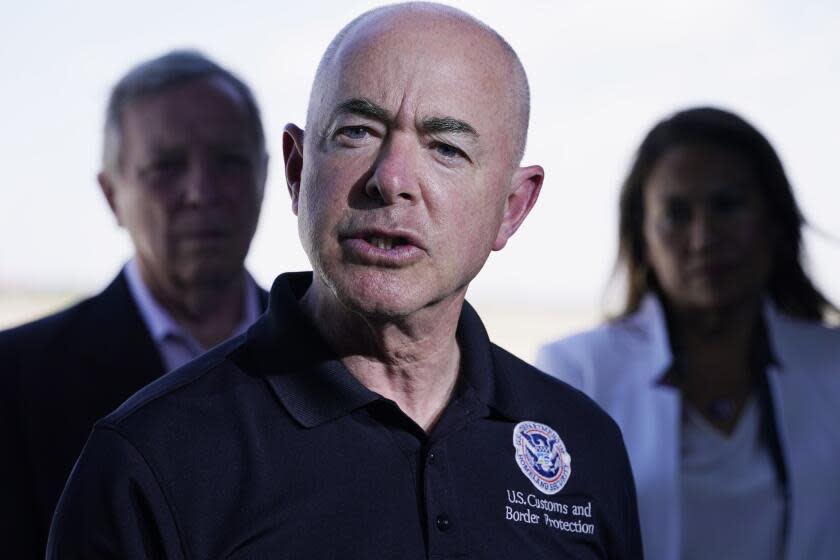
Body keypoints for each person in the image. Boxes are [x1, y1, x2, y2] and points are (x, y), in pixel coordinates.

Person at [47, 4, 643, 558]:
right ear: (297, 169)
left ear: (512, 207)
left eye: (445, 147)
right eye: (358, 132)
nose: (391, 180)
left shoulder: (584, 445)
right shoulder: (149, 461)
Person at [537, 106, 840, 559]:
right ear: (643, 237)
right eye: (677, 214)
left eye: (727, 206)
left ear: (774, 222)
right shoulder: (577, 374)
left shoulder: (833, 366)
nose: (703, 238)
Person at [0, 50, 270, 558]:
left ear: (266, 176)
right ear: (111, 195)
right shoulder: (13, 381)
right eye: (167, 167)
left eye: (228, 161)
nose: (200, 192)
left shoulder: (344, 360)